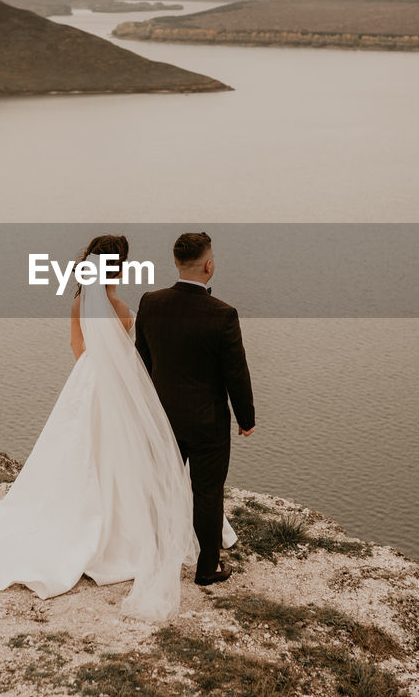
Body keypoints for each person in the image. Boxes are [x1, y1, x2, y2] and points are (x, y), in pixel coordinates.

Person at [0, 234, 224, 621]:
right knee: (122, 454)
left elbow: (77, 347)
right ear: (118, 268)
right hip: (116, 385)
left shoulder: (79, 303)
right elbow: (134, 356)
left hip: (86, 381)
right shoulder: (120, 309)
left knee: (77, 452)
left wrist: (89, 377)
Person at [135, 231, 256, 586]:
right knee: (207, 493)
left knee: (160, 487)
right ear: (209, 265)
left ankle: (155, 558)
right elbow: (236, 372)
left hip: (162, 417)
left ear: (176, 263)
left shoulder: (150, 302)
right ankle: (207, 568)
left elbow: (142, 360)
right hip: (207, 421)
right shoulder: (223, 314)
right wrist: (246, 418)